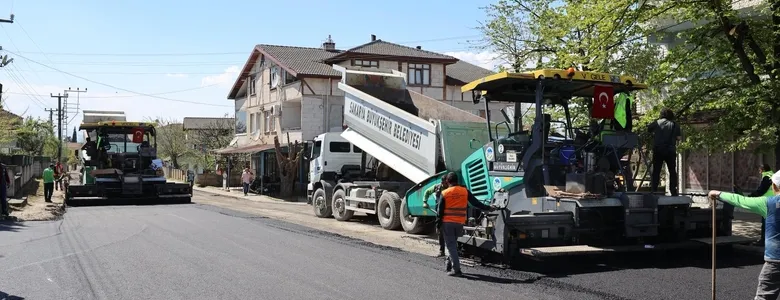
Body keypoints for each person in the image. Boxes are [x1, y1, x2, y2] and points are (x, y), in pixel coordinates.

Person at [709, 170, 780, 300]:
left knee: (765, 295)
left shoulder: (769, 203)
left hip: (775, 261)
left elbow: (741, 201)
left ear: (774, 186)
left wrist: (718, 194)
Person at [437, 172, 496, 277]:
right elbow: (475, 203)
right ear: (457, 180)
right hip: (460, 222)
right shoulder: (464, 191)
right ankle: (448, 265)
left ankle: (456, 270)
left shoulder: (445, 193)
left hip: (448, 223)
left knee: (450, 246)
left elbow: (439, 211)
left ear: (447, 181)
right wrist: (488, 207)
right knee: (452, 244)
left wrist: (438, 225)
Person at [647, 107, 682, 196]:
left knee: (656, 170)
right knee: (672, 171)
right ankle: (673, 190)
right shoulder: (674, 125)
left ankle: (654, 189)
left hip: (658, 150)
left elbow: (649, 129)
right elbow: (679, 138)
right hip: (670, 150)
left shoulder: (657, 123)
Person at [423, 177, 449, 257]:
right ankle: (442, 251)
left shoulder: (451, 188)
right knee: (440, 231)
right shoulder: (437, 187)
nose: (443, 184)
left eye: (445, 182)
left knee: (449, 232)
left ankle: (452, 252)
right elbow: (427, 192)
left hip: (448, 212)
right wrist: (425, 202)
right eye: (443, 182)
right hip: (439, 212)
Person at [750, 164, 775, 246]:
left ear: (763, 170)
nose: (759, 171)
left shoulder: (766, 177)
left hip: (767, 202)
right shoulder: (773, 175)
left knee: (765, 222)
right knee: (772, 222)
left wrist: (751, 196)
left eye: (760, 170)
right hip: (775, 202)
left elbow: (761, 190)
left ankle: (763, 241)